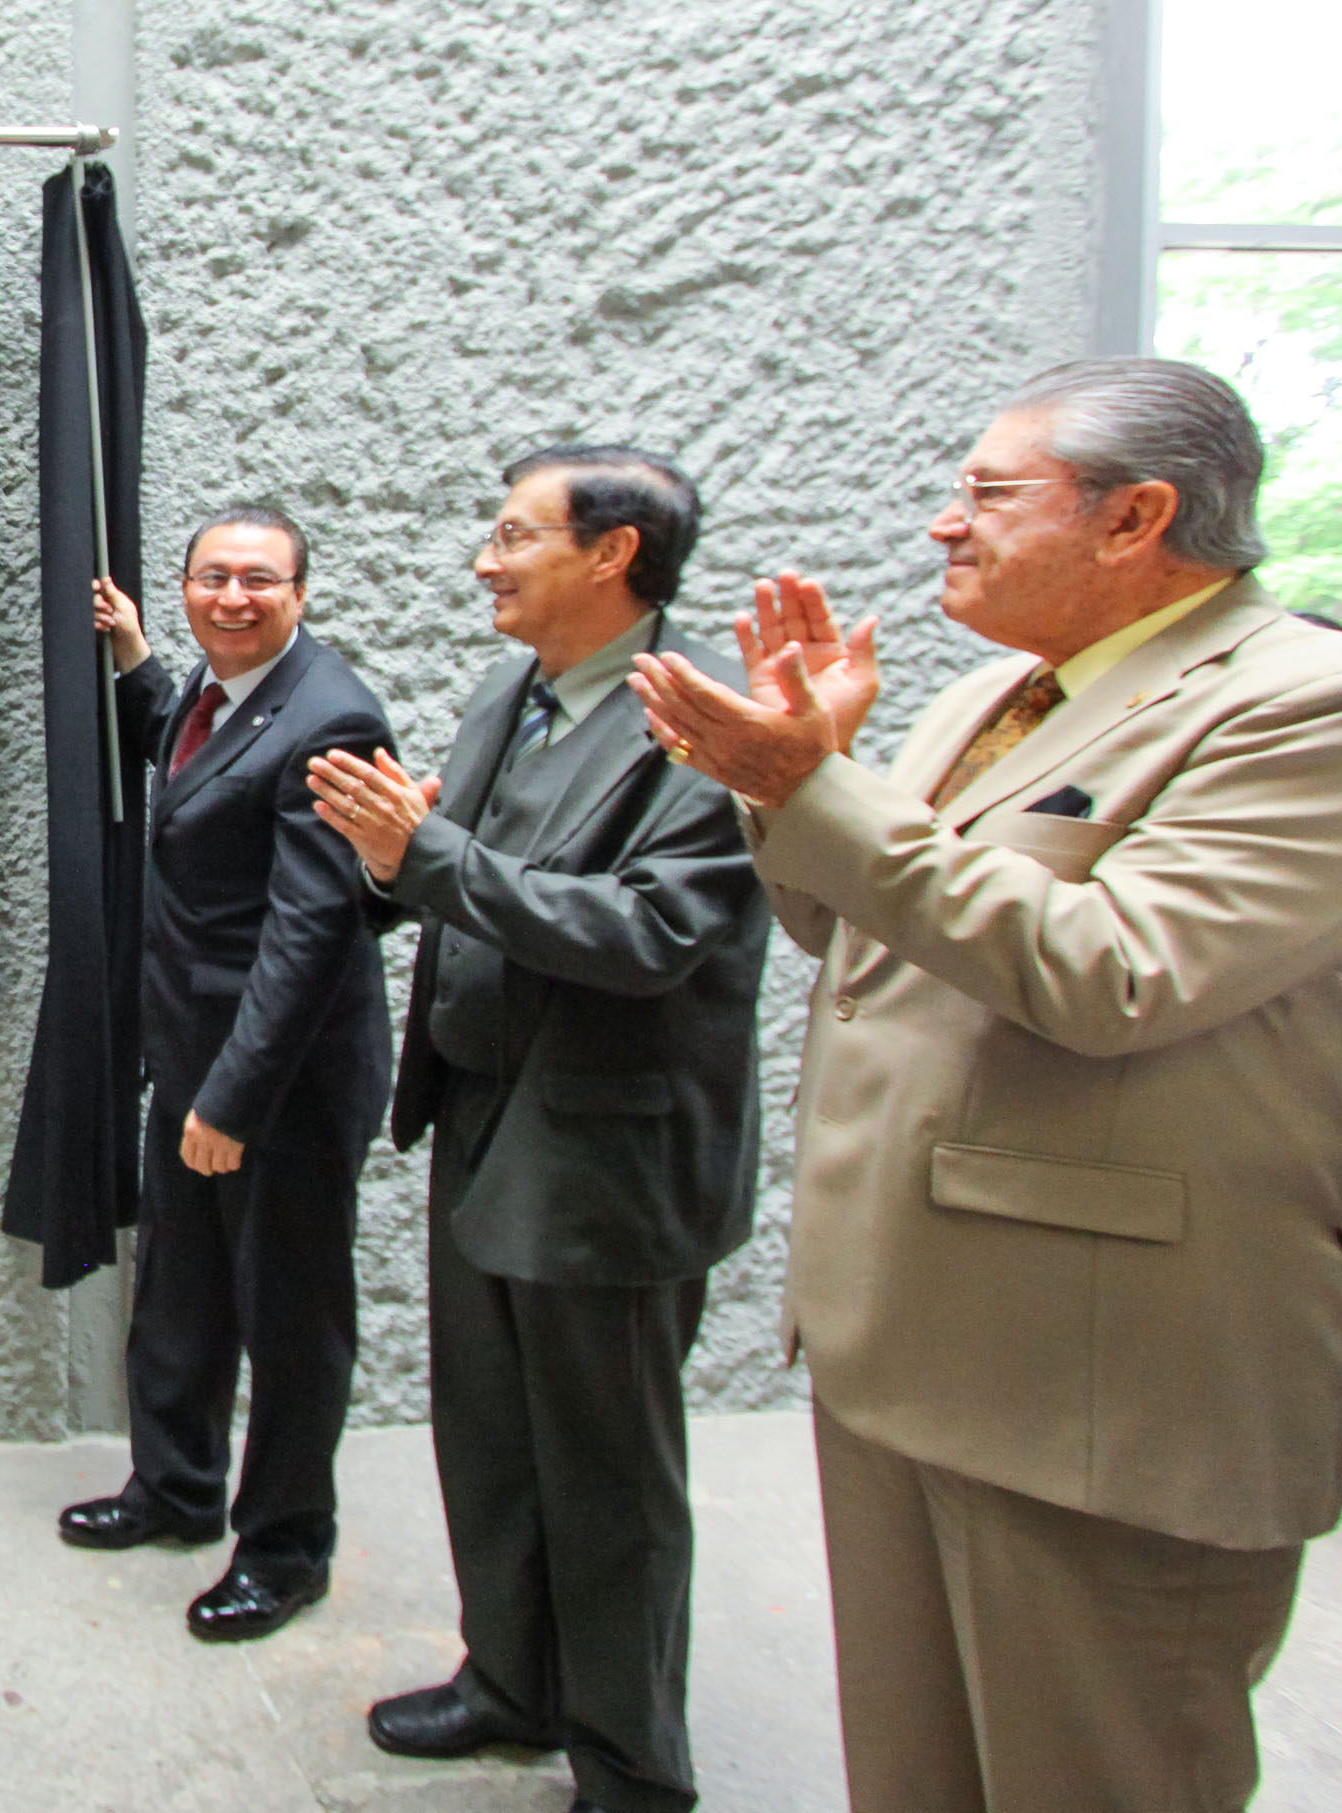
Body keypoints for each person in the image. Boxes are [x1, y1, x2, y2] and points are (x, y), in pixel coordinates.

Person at [629, 357, 1342, 1810]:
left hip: (1100, 1386)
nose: (944, 523)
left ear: (1136, 517)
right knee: (914, 1773)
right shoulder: (996, 696)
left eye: (987, 493)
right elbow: (853, 934)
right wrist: (802, 777)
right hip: (905, 1340)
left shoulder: (1332, 707)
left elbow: (1116, 974)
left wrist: (813, 786)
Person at [310, 449, 769, 1813]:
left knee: (608, 1472)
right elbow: (452, 873)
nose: (485, 560)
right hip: (482, 1112)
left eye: (514, 536)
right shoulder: (508, 692)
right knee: (490, 1433)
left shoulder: (709, 722)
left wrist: (427, 855)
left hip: (608, 1148)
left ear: (613, 554)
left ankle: (630, 1765)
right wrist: (386, 862)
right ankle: (511, 1681)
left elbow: (650, 933)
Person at [57, 505, 400, 1642]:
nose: (234, 597)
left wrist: (232, 1102)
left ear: (300, 592)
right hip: (194, 1053)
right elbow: (195, 756)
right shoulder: (216, 691)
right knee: (181, 1288)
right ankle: (175, 1487)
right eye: (213, 577)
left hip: (280, 1081)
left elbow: (312, 934)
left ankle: (286, 1549)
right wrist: (136, 659)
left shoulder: (333, 717)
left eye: (259, 579)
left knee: (291, 1318)